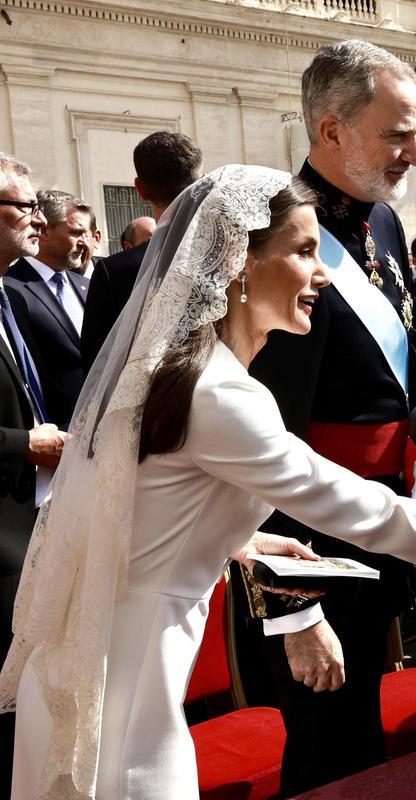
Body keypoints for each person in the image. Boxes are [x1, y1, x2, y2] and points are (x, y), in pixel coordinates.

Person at [0, 165, 416, 800]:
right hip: (128, 686)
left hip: (115, 657)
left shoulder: (190, 372)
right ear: (239, 265)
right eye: (305, 251)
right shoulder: (221, 394)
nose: (324, 275)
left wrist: (243, 543)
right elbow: (373, 513)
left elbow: (141, 501)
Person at [243, 40, 416, 794]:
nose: (414, 156)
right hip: (308, 543)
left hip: (378, 518)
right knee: (324, 745)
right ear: (331, 131)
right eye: (397, 135)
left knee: (363, 728)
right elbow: (256, 441)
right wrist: (293, 609)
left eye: (415, 135)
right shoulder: (276, 236)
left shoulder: (386, 226)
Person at [0, 151, 68, 799]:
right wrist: (26, 442)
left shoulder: (5, 295)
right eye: (22, 206)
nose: (36, 217)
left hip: (29, 529)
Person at [80, 131, 204, 373]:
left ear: (140, 189)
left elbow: (97, 363)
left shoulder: (113, 272)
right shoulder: (234, 256)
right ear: (202, 181)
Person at [3, 190, 91, 428]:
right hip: (51, 438)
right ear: (44, 231)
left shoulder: (88, 286)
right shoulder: (11, 288)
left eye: (86, 233)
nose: (85, 242)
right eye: (75, 232)